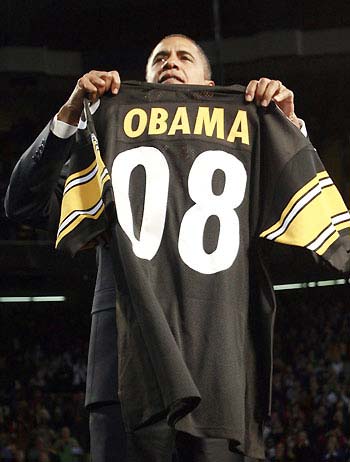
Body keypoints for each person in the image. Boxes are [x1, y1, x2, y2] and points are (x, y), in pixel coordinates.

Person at [5, 35, 342, 462]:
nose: (171, 62)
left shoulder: (249, 138)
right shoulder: (107, 144)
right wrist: (70, 114)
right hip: (125, 377)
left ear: (209, 84)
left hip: (218, 374)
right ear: (142, 85)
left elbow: (302, 229)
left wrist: (287, 134)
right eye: (159, 59)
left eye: (185, 57)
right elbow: (23, 204)